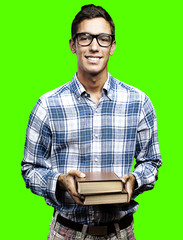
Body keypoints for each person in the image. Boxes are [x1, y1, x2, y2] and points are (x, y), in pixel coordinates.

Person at [21, 4, 162, 240]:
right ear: (73, 45)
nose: (94, 46)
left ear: (112, 46)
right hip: (67, 232)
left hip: (121, 232)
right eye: (85, 38)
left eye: (103, 38)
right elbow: (30, 169)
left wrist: (136, 180)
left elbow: (152, 162)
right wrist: (59, 181)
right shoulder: (47, 105)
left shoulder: (139, 102)